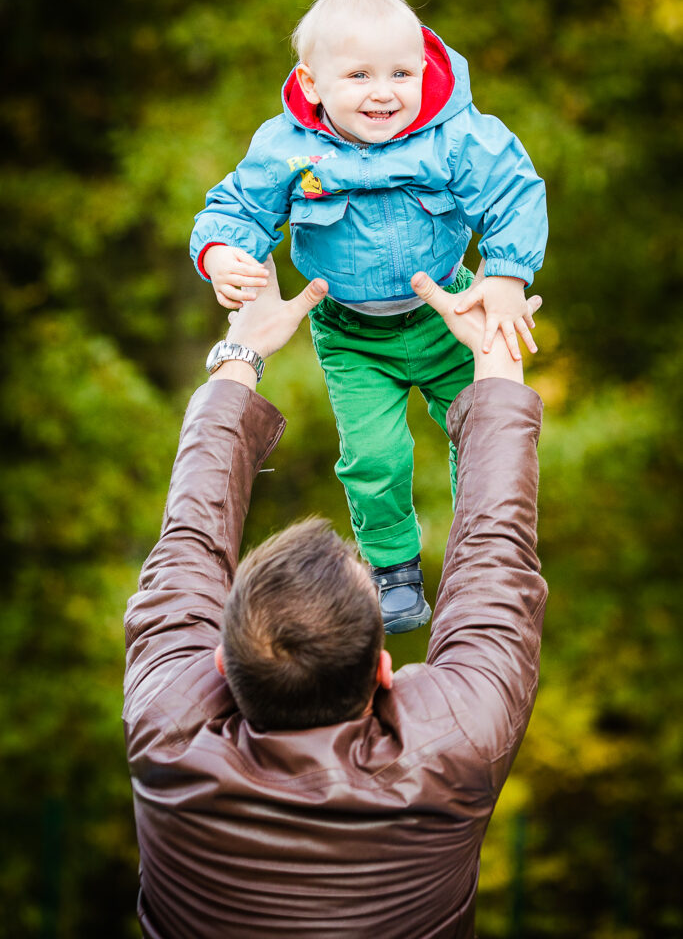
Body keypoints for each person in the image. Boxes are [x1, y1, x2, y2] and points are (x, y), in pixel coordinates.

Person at [123, 259, 547, 939]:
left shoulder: (168, 729)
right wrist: (493, 350)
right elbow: (494, 556)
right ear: (384, 672)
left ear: (222, 670)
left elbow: (186, 547)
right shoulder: (453, 746)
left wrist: (241, 350)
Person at [189, 0, 548, 633]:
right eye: (358, 75)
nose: (384, 92)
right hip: (352, 336)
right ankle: (393, 572)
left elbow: (512, 191)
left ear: (425, 70)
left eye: (400, 74)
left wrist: (505, 274)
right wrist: (222, 254)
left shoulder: (453, 136)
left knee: (483, 432)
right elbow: (235, 208)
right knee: (374, 457)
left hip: (446, 313)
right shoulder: (287, 147)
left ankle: (483, 555)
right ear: (313, 82)